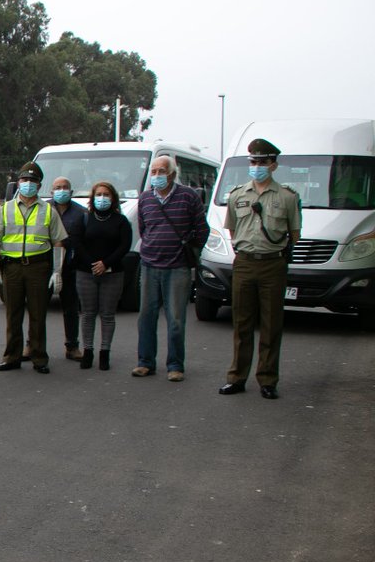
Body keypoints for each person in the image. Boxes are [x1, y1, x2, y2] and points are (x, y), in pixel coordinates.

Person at [219, 139, 301, 399]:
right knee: (241, 323)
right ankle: (237, 377)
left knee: (271, 323)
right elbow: (232, 230)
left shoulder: (287, 197)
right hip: (244, 263)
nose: (257, 166)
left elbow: (294, 234)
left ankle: (267, 379)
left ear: (273, 165)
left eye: (262, 162)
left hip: (273, 264)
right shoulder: (237, 195)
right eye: (253, 162)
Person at [132, 155, 208, 382]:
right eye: (153, 172)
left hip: (177, 268)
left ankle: (175, 365)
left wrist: (187, 250)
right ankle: (145, 362)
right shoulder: (145, 199)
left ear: (172, 174)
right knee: (146, 317)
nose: (156, 176)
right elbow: (144, 230)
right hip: (149, 265)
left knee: (175, 319)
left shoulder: (188, 196)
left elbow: (202, 229)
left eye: (161, 171)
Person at [0, 162, 66, 374]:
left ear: (39, 185)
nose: (28, 184)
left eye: (32, 181)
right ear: (18, 183)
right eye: (24, 180)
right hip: (11, 268)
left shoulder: (49, 211)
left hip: (38, 267)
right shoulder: (5, 209)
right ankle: (11, 356)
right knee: (13, 314)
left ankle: (39, 357)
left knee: (38, 314)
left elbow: (59, 242)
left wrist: (57, 271)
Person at [71, 182, 132, 370]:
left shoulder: (121, 221)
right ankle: (87, 351)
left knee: (107, 315)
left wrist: (105, 264)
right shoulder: (84, 219)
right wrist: (93, 264)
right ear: (93, 197)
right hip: (85, 272)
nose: (102, 198)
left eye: (106, 194)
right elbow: (77, 242)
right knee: (88, 314)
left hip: (113, 273)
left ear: (113, 198)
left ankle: (104, 352)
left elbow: (124, 246)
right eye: (99, 194)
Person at [50, 176, 86, 361]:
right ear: (51, 191)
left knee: (71, 309)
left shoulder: (81, 213)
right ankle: (32, 345)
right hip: (45, 267)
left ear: (71, 191)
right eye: (57, 187)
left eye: (65, 187)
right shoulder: (44, 209)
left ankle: (72, 346)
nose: (61, 190)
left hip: (70, 268)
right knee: (38, 308)